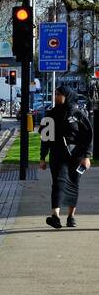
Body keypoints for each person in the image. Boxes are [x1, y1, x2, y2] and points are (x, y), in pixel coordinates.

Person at [39, 86, 94, 228]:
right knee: (58, 183)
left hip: (77, 155)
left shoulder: (77, 114)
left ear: (67, 96)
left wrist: (87, 156)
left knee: (73, 183)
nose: (56, 96)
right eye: (56, 94)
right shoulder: (50, 114)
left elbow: (88, 136)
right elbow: (45, 137)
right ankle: (55, 216)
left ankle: (71, 217)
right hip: (57, 154)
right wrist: (42, 158)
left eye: (59, 94)